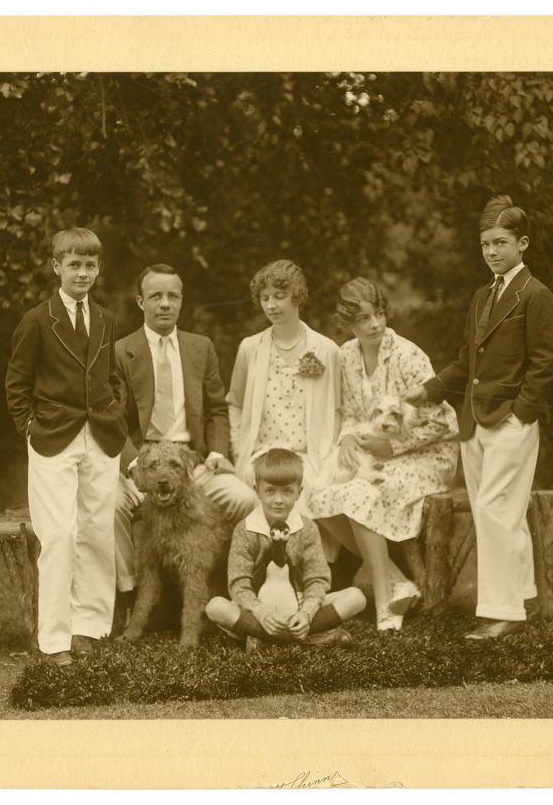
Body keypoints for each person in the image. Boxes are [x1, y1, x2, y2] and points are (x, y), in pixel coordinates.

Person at [406, 195, 553, 641]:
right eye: (485, 244)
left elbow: (547, 362)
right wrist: (428, 390)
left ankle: (504, 613)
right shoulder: (481, 297)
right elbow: (465, 363)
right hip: (474, 423)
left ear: (522, 243)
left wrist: (521, 414)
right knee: (494, 510)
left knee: (496, 509)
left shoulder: (536, 295)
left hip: (510, 421)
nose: (491, 252)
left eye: (500, 243)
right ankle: (523, 594)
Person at [5, 228, 127, 666]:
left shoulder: (106, 318)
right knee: (58, 535)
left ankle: (89, 628)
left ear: (98, 268)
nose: (82, 273)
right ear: (56, 267)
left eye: (90, 265)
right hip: (53, 437)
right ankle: (55, 638)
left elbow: (111, 375)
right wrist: (29, 427)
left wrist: (114, 412)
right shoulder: (38, 320)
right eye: (74, 264)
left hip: (101, 437)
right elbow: (17, 382)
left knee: (96, 532)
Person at [309, 278, 460, 632]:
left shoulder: (408, 355)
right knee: (314, 497)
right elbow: (350, 412)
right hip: (373, 451)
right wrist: (348, 437)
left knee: (359, 494)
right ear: (348, 322)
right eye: (363, 319)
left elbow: (444, 423)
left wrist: (392, 447)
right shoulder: (346, 355)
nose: (375, 324)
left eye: (378, 314)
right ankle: (397, 582)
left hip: (427, 457)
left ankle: (384, 606)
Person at [112, 264, 257, 627]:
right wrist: (133, 464)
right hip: (142, 462)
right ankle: (132, 596)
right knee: (112, 507)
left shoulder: (199, 347)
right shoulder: (121, 351)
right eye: (156, 296)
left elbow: (217, 408)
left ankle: (235, 589)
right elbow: (112, 419)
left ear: (181, 301)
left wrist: (218, 453)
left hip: (192, 462)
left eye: (172, 296)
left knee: (245, 500)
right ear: (140, 301)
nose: (165, 304)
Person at [205, 448, 366, 652]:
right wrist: (261, 612)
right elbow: (239, 584)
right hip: (258, 609)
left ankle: (264, 638)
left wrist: (306, 613)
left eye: (287, 491)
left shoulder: (307, 528)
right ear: (257, 490)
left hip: (299, 606)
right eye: (270, 491)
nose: (278, 500)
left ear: (299, 492)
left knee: (356, 597)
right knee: (216, 607)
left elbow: (317, 578)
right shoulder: (244, 530)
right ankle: (312, 636)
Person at [226, 259, 341, 507]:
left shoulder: (326, 349)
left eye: (279, 296)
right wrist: (239, 451)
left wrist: (328, 457)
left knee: (304, 488)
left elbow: (338, 410)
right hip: (260, 457)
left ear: (296, 296)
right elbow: (235, 404)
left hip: (310, 458)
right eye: (265, 298)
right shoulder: (250, 348)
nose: (271, 305)